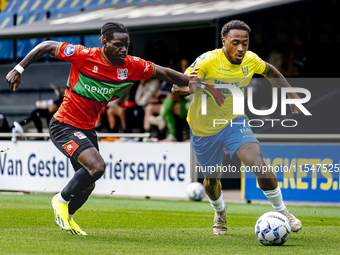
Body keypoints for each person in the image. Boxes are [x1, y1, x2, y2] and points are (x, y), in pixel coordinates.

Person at [6, 22, 189, 235]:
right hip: (64, 124)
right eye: (118, 44)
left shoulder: (132, 65)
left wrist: (192, 83)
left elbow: (165, 72)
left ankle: (69, 217)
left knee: (89, 184)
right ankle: (60, 200)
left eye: (126, 46)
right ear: (104, 42)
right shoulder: (84, 55)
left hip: (87, 129)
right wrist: (19, 69)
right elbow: (46, 45)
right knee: (97, 167)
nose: (123, 49)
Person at [172, 20, 302, 235]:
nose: (241, 48)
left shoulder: (250, 60)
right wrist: (190, 88)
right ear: (224, 42)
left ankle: (283, 212)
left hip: (234, 122)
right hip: (204, 128)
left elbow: (271, 71)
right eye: (235, 43)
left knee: (258, 163)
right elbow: (177, 86)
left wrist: (291, 93)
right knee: (212, 181)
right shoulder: (206, 61)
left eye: (245, 43)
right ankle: (220, 211)